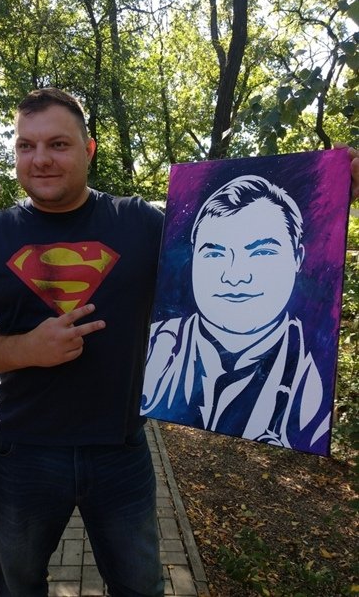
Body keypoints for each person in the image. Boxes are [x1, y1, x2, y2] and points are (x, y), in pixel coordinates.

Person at [0, 88, 165, 597]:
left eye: (58, 144)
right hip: (21, 451)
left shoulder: (141, 223)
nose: (40, 158)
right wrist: (27, 349)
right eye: (26, 145)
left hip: (121, 447)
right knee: (18, 587)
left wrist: (325, 188)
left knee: (140, 587)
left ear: (89, 149)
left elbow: (230, 239)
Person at [141, 175, 335, 453]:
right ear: (193, 259)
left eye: (261, 252)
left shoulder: (315, 384)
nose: (235, 276)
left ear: (297, 259)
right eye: (215, 254)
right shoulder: (155, 347)